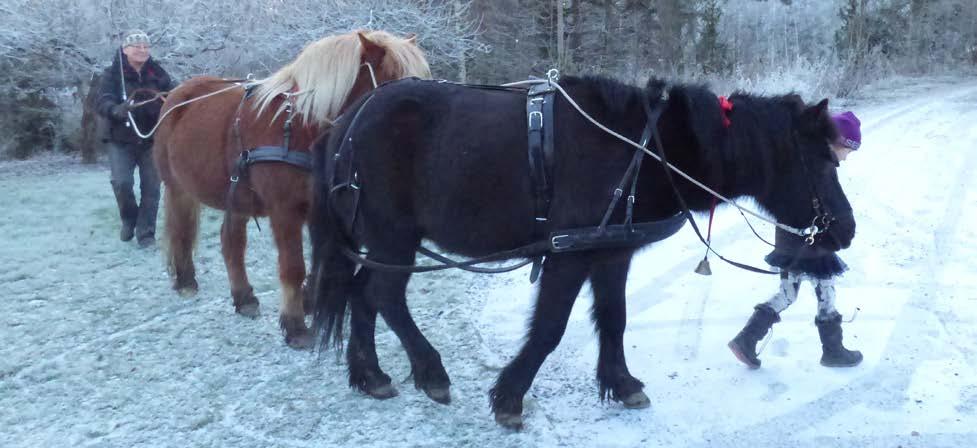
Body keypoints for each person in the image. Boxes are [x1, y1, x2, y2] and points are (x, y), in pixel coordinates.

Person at [728, 111, 864, 369]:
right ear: (838, 142)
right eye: (848, 151)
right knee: (826, 291)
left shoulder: (801, 158)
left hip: (791, 240)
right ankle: (833, 350)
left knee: (788, 293)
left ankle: (746, 339)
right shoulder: (819, 166)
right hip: (813, 243)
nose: (846, 158)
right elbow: (828, 204)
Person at [95, 30, 174, 247]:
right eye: (136, 46)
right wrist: (115, 109)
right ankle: (129, 220)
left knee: (152, 188)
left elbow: (173, 93)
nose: (142, 50)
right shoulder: (112, 74)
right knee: (122, 183)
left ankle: (146, 234)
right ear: (125, 49)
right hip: (120, 139)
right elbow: (102, 101)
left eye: (145, 47)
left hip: (151, 138)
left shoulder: (158, 73)